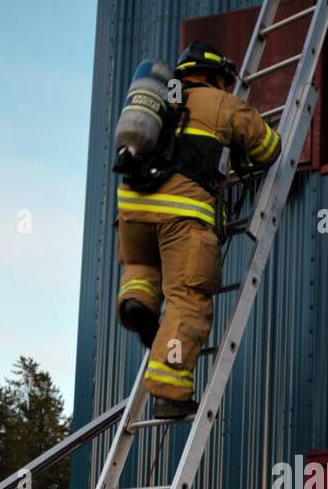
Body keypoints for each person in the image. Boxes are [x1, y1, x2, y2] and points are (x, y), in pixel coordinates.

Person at [116, 40, 282, 420]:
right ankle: (170, 393)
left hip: (134, 210)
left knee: (143, 268)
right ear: (213, 74)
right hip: (182, 216)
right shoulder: (220, 102)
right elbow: (268, 149)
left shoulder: (164, 104)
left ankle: (137, 301)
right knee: (187, 298)